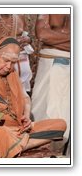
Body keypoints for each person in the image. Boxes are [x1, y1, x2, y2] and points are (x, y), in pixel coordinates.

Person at [31, 14, 70, 145]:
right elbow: (42, 34)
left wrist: (54, 39)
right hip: (48, 62)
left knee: (66, 111)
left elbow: (47, 36)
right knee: (40, 109)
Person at [0, 14, 33, 93]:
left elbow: (26, 34)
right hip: (3, 68)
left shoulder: (21, 15)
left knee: (24, 96)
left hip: (23, 64)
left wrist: (28, 39)